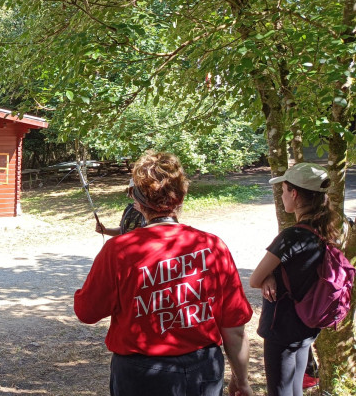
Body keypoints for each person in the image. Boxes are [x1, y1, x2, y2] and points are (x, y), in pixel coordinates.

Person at [74, 151, 253, 396]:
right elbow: (234, 327)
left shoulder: (119, 251)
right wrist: (242, 380)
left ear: (137, 201)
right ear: (181, 198)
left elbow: (87, 311)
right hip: (203, 369)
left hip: (141, 373)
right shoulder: (212, 246)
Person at [250, 162, 339, 396]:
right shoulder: (325, 230)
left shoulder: (292, 236)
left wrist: (266, 276)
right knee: (295, 387)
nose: (281, 196)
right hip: (307, 326)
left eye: (283, 190)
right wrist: (270, 275)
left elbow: (254, 279)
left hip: (282, 326)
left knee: (279, 391)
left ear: (295, 193)